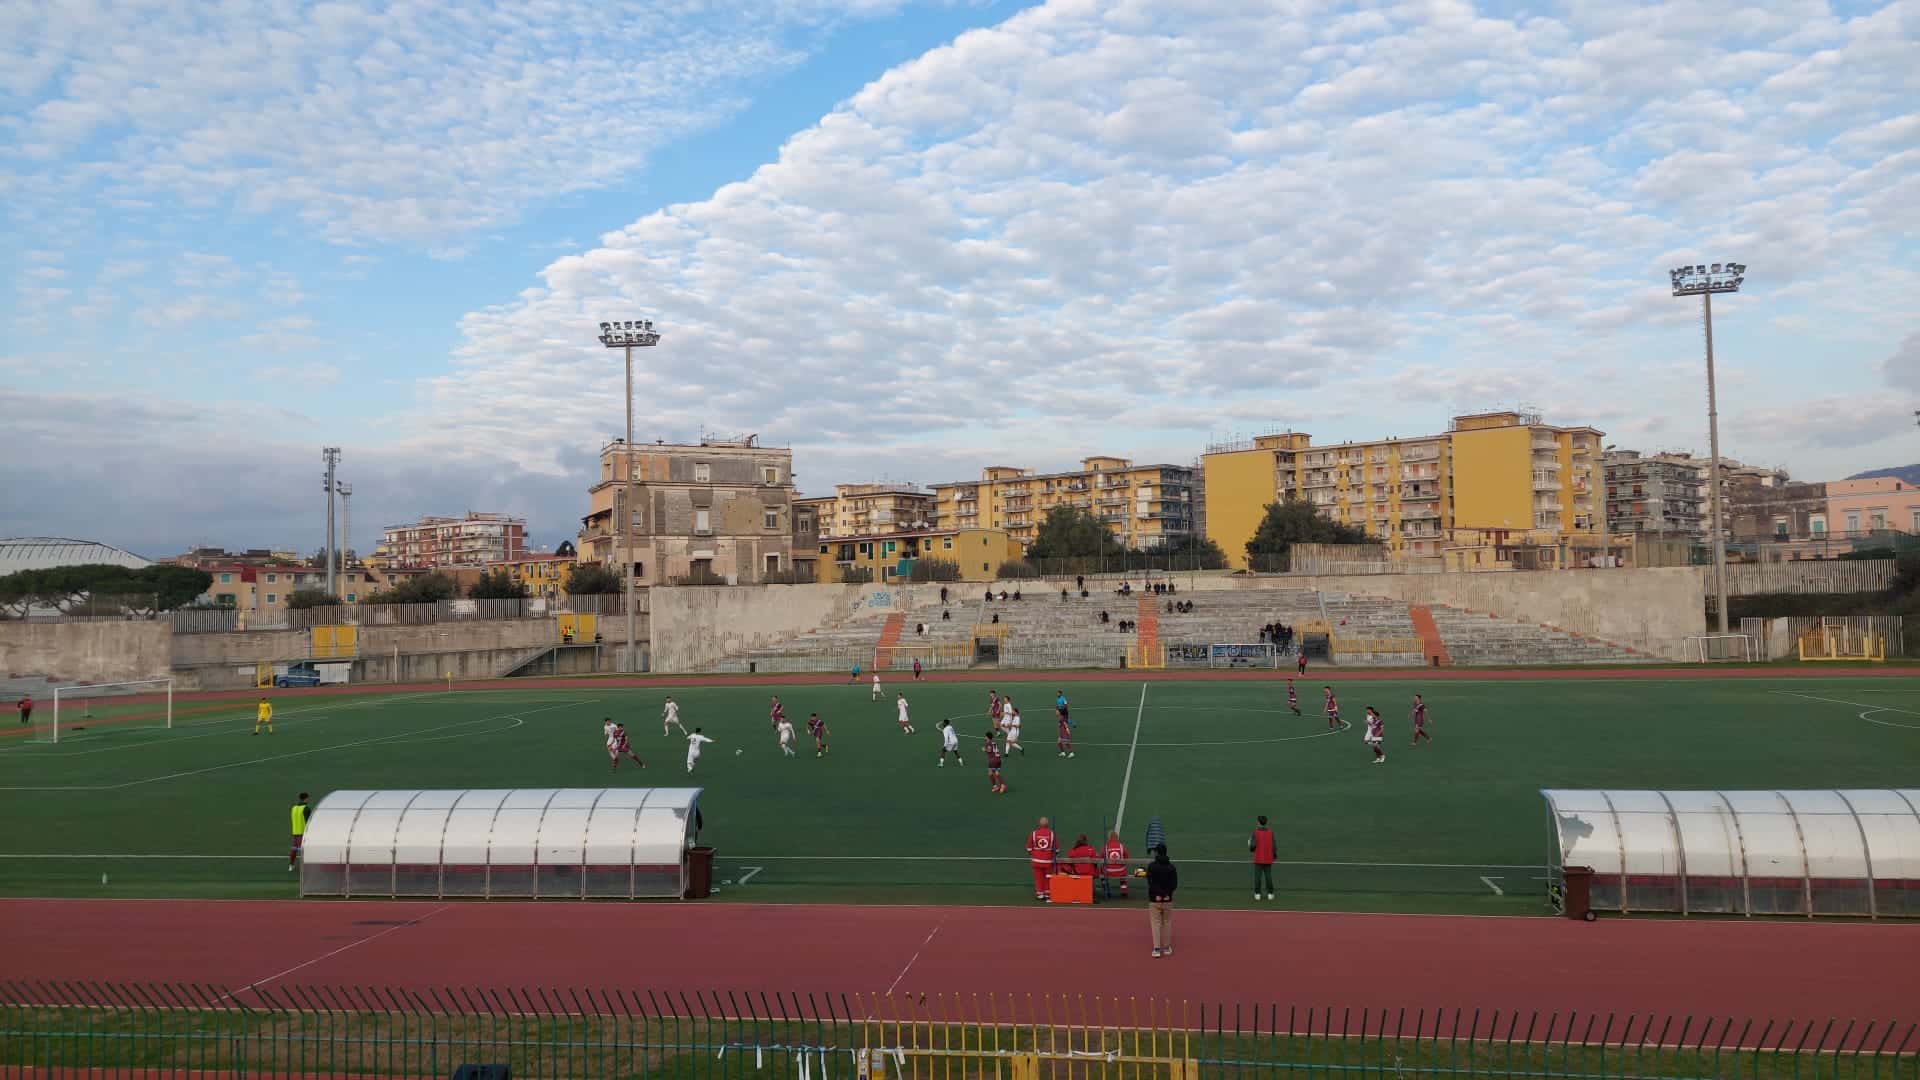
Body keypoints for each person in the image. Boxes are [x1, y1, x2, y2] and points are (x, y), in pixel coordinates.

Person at [1146, 845, 1178, 957]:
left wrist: (1158, 894)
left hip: (1154, 899)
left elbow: (1151, 883)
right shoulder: (1171, 867)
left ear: (1157, 853)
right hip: (1168, 899)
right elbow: (1174, 884)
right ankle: (1167, 948)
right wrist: (1166, 894)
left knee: (1155, 923)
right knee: (1167, 923)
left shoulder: (1151, 866)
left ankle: (1156, 949)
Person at [1026, 816, 1057, 901]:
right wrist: (1051, 854)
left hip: (1036, 860)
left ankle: (1040, 894)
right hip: (1048, 861)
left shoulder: (1034, 833)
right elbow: (1056, 849)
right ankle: (1047, 893)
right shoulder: (1052, 834)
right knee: (1048, 877)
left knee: (1038, 878)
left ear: (1039, 824)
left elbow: (1028, 848)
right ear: (1047, 824)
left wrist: (1034, 854)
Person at [1250, 815, 1277, 901]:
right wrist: (1274, 855)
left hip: (1258, 858)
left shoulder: (1255, 832)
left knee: (1257, 877)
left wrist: (1250, 845)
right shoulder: (1270, 832)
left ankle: (1257, 894)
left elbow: (1253, 846)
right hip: (1268, 858)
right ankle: (1270, 894)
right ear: (1266, 822)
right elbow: (1274, 845)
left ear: (1258, 822)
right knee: (1268, 876)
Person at [288, 792, 312, 872]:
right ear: (306, 798)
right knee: (304, 851)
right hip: (303, 833)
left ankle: (291, 865)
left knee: (294, 849)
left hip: (295, 832)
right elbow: (309, 821)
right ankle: (305, 868)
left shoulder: (293, 808)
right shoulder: (306, 808)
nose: (308, 800)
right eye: (308, 798)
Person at [1103, 831, 1130, 899]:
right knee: (1123, 876)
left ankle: (1106, 890)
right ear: (1117, 837)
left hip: (1108, 871)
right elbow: (1126, 856)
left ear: (1109, 837)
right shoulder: (1121, 846)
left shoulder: (1106, 847)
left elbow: (1101, 857)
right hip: (1120, 871)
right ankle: (1124, 892)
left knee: (1102, 872)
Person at [984, 729, 1006, 794]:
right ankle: (996, 786)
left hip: (993, 760)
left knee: (992, 773)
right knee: (993, 773)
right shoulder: (994, 742)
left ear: (987, 737)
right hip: (998, 759)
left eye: (985, 736)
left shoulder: (988, 743)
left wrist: (984, 750)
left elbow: (989, 750)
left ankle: (1001, 785)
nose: (984, 737)